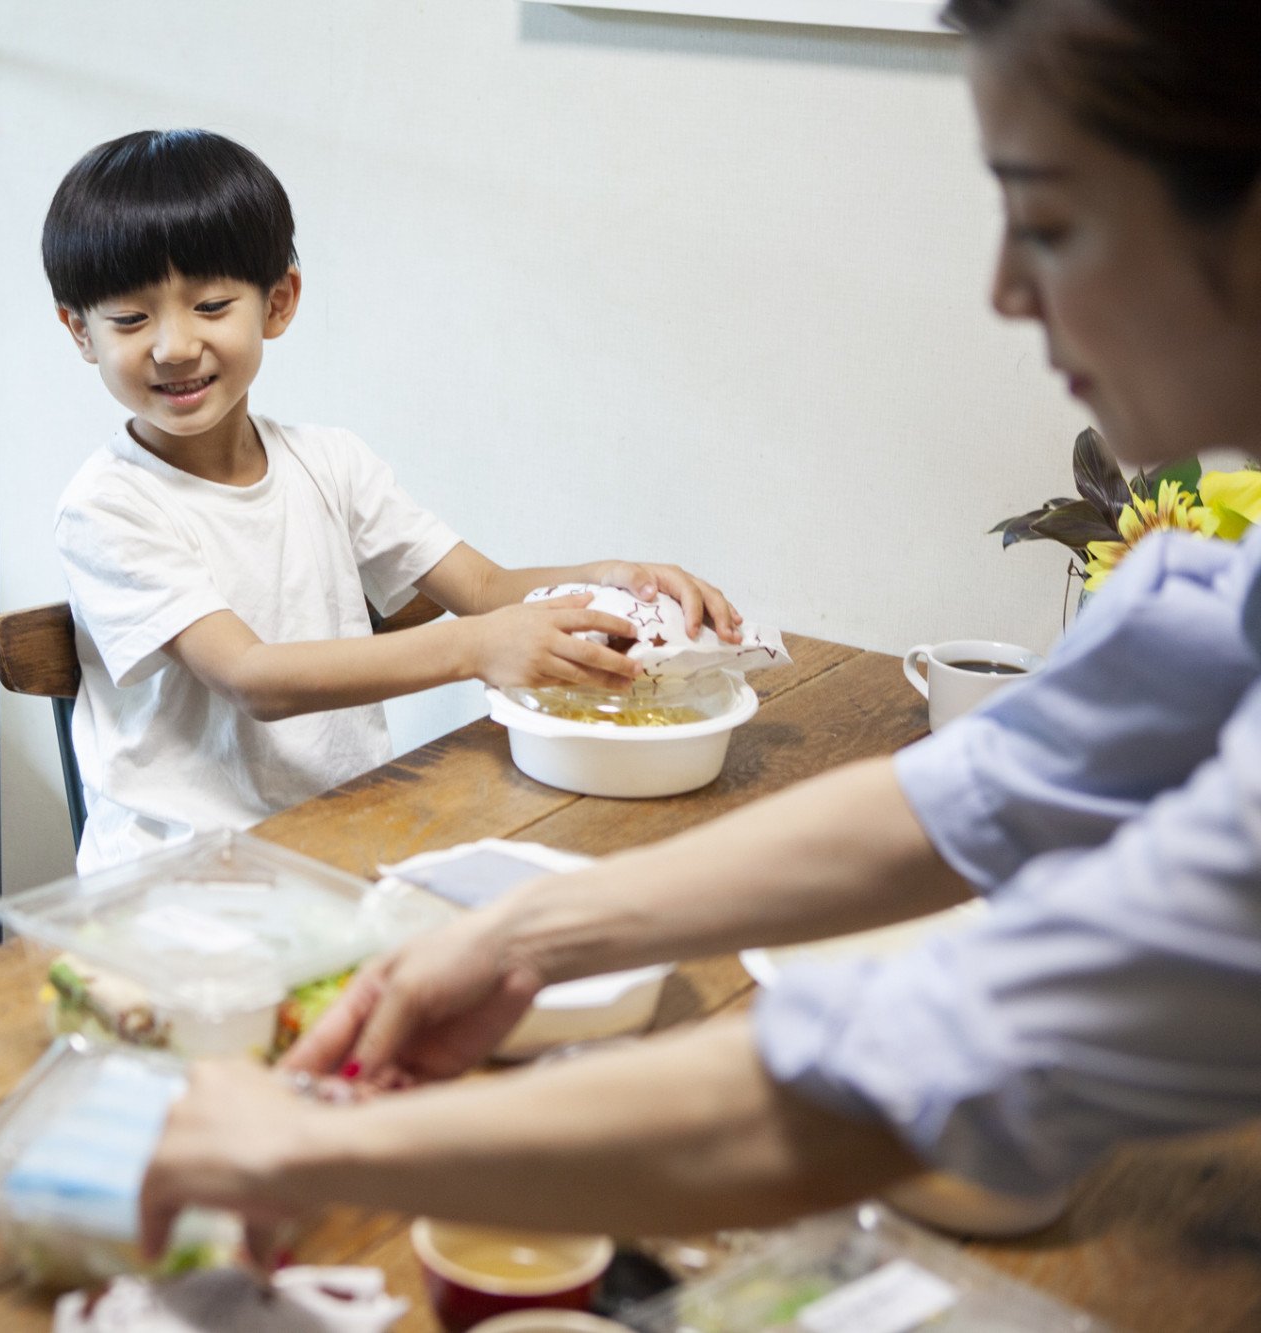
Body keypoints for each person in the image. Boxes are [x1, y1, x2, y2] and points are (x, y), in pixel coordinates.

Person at [136, 0, 1261, 1253]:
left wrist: (311, 1143)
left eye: (1048, 221)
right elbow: (992, 786)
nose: (1001, 288)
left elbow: (930, 1060)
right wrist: (522, 931)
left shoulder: (322, 458)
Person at [45, 129, 741, 871]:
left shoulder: (330, 462)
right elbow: (251, 677)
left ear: (277, 303)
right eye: (130, 319)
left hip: (343, 836)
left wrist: (608, 578)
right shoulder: (108, 504)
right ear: (79, 331)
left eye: (212, 305)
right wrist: (474, 649)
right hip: (175, 874)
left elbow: (479, 587)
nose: (175, 345)